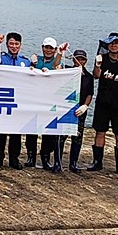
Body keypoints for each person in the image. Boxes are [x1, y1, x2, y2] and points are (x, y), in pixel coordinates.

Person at [87, 33, 118, 174]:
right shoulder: (102, 59)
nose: (113, 45)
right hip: (103, 102)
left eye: (116, 43)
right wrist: (97, 65)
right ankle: (97, 162)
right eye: (111, 43)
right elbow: (96, 75)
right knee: (100, 131)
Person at [0, 32, 30, 170]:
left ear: (20, 45)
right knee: (1, 132)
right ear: (7, 45)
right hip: (3, 99)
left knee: (16, 133)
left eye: (16, 44)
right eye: (11, 44)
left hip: (18, 101)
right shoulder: (2, 58)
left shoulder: (25, 61)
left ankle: (14, 158)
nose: (14, 46)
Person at [27, 37, 66, 169]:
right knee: (31, 131)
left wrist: (60, 53)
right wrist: (31, 65)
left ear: (54, 50)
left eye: (51, 48)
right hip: (34, 100)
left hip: (50, 102)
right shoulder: (36, 60)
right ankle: (31, 157)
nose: (48, 50)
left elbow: (56, 66)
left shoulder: (58, 62)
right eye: (46, 47)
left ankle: (45, 158)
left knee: (48, 132)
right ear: (42, 48)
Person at [67, 49, 94, 173]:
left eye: (82, 59)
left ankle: (73, 163)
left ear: (86, 61)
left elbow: (90, 94)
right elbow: (56, 66)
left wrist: (85, 106)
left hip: (80, 110)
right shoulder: (66, 71)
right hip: (66, 109)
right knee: (61, 137)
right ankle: (57, 161)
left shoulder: (89, 77)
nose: (79, 61)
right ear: (73, 59)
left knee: (77, 137)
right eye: (77, 58)